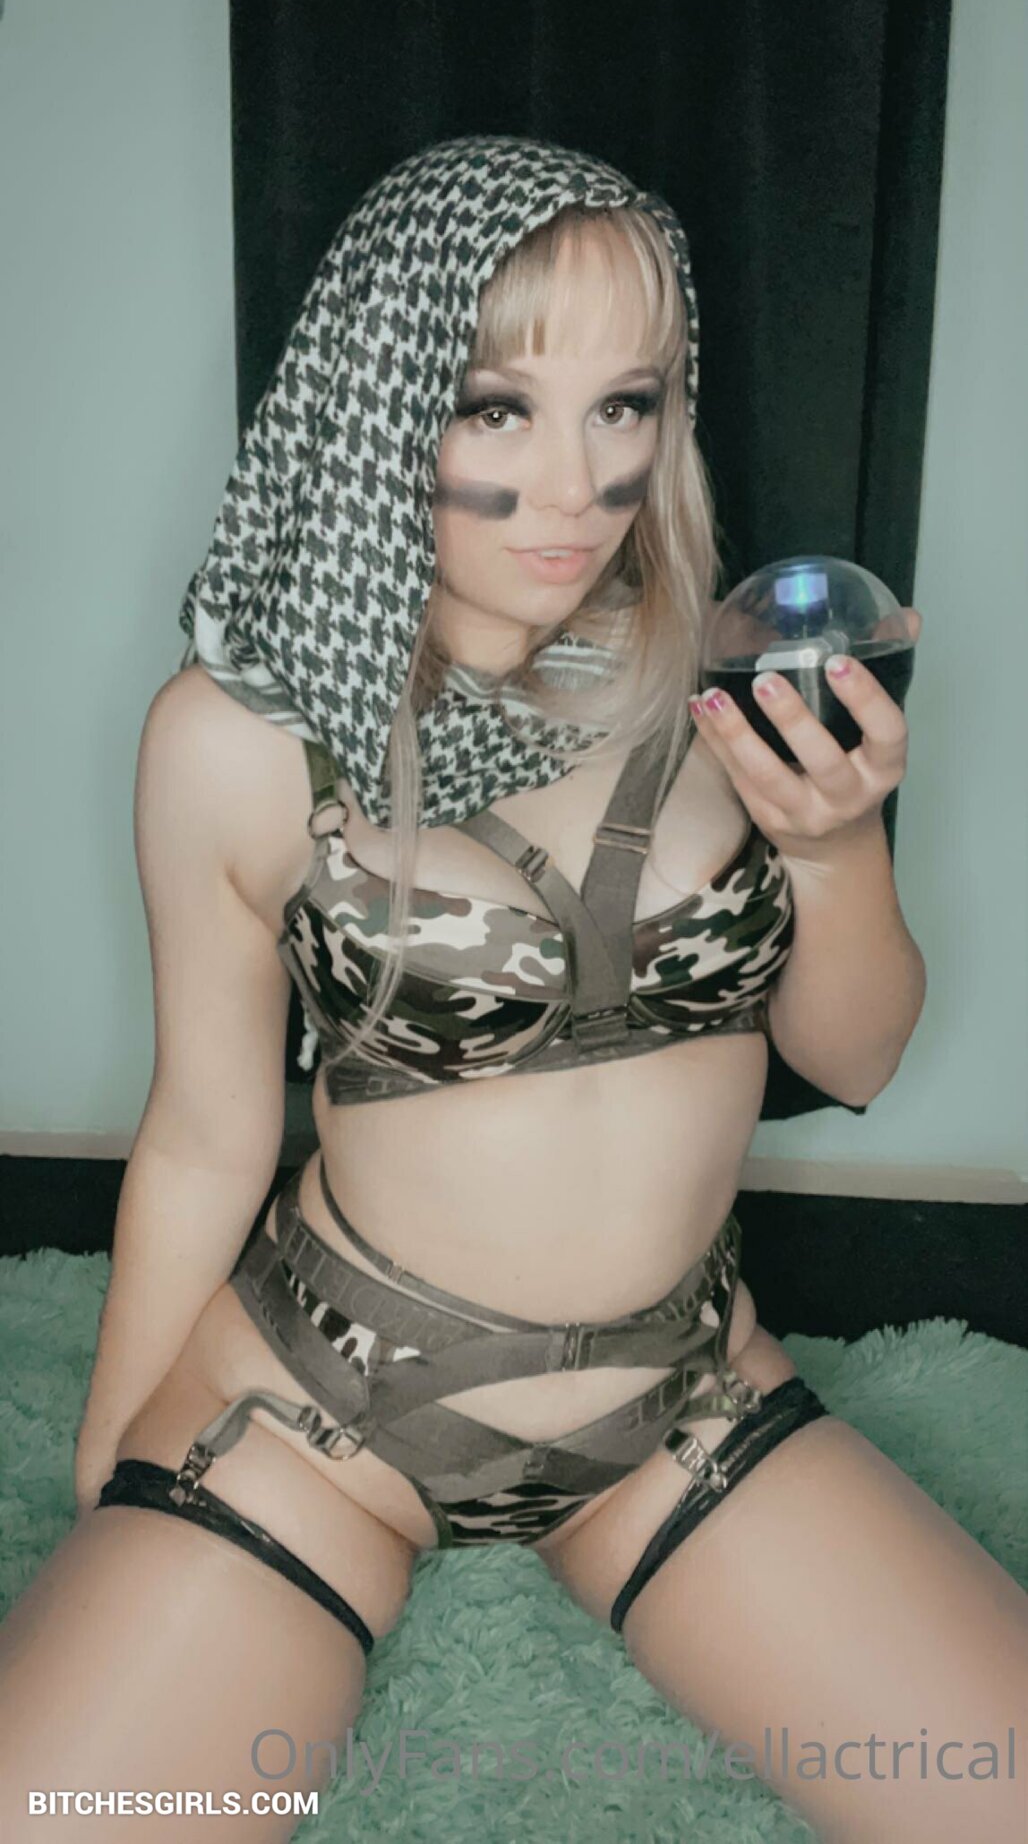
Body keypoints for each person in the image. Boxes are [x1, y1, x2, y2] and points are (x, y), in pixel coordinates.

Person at [1, 136, 1024, 1843]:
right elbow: (203, 1134)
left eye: (626, 404)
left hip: (686, 1399)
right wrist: (113, 1476)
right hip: (319, 1412)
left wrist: (839, 852)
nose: (577, 483)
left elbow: (856, 1060)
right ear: (386, 404)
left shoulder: (719, 677)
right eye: (498, 409)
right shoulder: (236, 742)